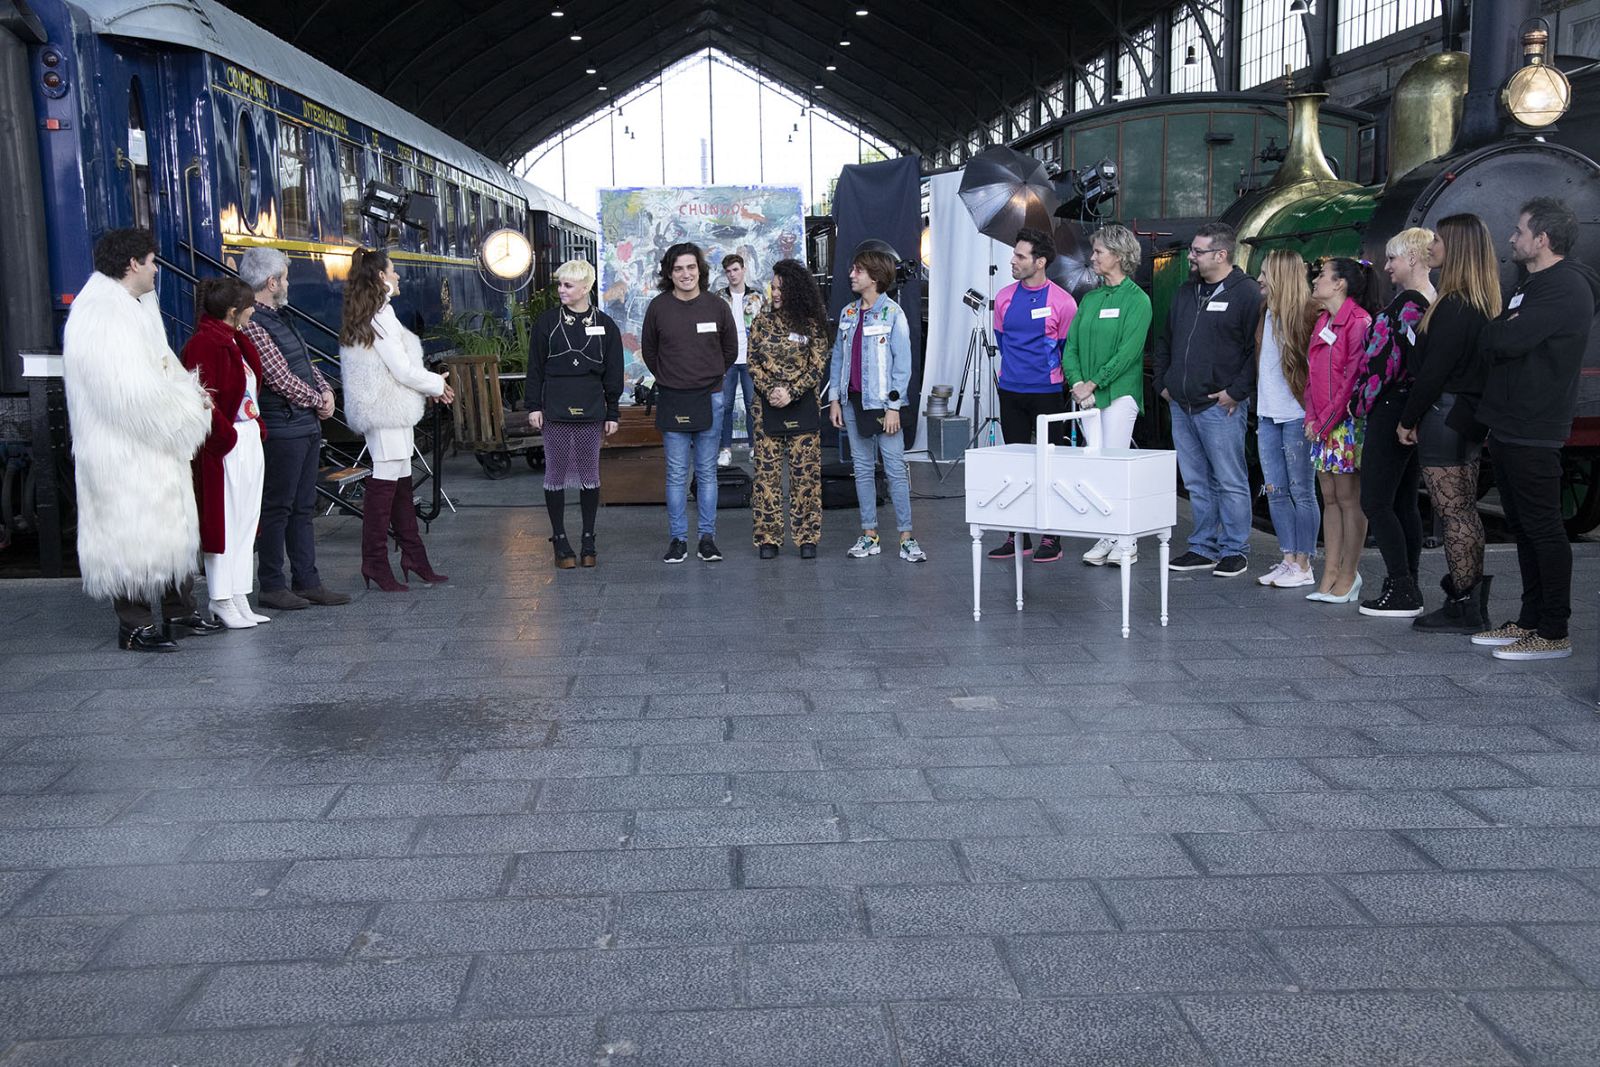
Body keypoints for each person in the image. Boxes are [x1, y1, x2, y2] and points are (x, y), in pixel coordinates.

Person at [61, 228, 217, 652]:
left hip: (149, 445)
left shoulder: (136, 303)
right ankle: (133, 625)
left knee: (169, 527)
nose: (155, 270)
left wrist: (187, 392)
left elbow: (161, 368)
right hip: (121, 450)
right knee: (128, 533)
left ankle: (179, 611)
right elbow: (128, 394)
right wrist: (187, 410)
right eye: (151, 261)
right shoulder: (101, 314)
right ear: (133, 264)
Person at [1470, 198, 1600, 660]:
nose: (1512, 238)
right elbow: (1500, 335)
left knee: (1543, 528)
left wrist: (1500, 330)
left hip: (1534, 424)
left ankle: (1554, 630)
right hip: (1509, 423)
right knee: (1524, 526)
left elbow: (1503, 338)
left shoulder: (1565, 288)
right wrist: (1500, 331)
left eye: (1520, 231)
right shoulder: (1536, 284)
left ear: (1542, 239)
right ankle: (1529, 620)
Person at [1398, 214, 1500, 633]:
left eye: (1438, 240)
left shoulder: (1454, 306)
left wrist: (1407, 420)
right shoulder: (1477, 301)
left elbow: (1433, 372)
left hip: (1445, 414)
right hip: (1464, 415)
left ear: (1455, 247)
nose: (1431, 247)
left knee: (1453, 512)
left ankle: (1464, 603)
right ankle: (1467, 599)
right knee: (1461, 512)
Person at [237, 247, 350, 611]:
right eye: (284, 278)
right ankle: (272, 583)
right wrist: (318, 401)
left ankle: (307, 580)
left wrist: (326, 390)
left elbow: (303, 361)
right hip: (283, 426)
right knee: (278, 508)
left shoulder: (280, 317)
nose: (287, 283)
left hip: (301, 424)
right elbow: (278, 377)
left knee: (302, 508)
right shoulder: (254, 323)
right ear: (271, 282)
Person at [338, 248, 454, 591]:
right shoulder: (380, 317)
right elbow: (401, 369)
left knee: (400, 484)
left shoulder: (374, 313)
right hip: (385, 410)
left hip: (386, 407)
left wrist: (432, 385)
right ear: (380, 278)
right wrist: (436, 383)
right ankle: (375, 561)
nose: (399, 276)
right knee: (385, 487)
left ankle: (413, 557)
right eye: (393, 271)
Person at [1152, 221, 1261, 578]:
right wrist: (1164, 382)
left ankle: (1234, 549)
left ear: (1221, 254)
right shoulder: (1187, 292)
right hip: (1181, 403)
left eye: (1198, 251)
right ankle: (1202, 546)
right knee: (1196, 481)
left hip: (1220, 405)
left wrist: (1236, 392)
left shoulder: (1246, 294)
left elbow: (1254, 350)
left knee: (1229, 479)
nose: (1191, 257)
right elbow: (1165, 338)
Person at [180, 278, 270, 630]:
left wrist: (252, 429)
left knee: (246, 519)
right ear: (234, 311)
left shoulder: (235, 339)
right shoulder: (205, 343)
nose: (253, 309)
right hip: (227, 444)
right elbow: (200, 396)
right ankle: (220, 597)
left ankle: (238, 594)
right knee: (227, 520)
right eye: (249, 305)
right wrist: (226, 436)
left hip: (246, 436)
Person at [1353, 229, 1434, 617]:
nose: (1386, 267)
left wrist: (1360, 402)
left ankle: (1401, 585)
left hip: (1391, 407)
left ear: (1413, 259)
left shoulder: (1410, 307)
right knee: (1403, 503)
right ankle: (1407, 583)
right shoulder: (1427, 303)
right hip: (1407, 408)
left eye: (1392, 259)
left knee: (1376, 500)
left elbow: (1387, 364)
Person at [640, 242, 738, 563]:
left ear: (700, 270)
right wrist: (672, 378)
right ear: (670, 272)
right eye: (679, 268)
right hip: (672, 398)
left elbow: (730, 350)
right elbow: (650, 351)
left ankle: (707, 538)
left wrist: (709, 376)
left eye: (691, 267)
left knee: (707, 472)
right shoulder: (658, 307)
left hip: (710, 397)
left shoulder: (717, 307)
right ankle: (678, 540)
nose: (686, 274)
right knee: (676, 474)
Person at [986, 227, 1077, 563]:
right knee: (1016, 464)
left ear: (1040, 262)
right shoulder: (1005, 298)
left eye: (1020, 256)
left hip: (1048, 393)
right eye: (1014, 254)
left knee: (1049, 463)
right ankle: (1018, 535)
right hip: (1011, 392)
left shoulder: (1063, 302)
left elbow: (1068, 349)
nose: (1013, 260)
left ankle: (1052, 535)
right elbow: (1003, 341)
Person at [1063, 223, 1151, 566]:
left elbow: (1129, 353)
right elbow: (1070, 346)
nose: (1093, 256)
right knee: (1096, 468)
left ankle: (1126, 539)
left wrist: (1094, 382)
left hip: (1119, 395)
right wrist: (1077, 382)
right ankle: (1107, 534)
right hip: (1087, 396)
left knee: (1115, 465)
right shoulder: (1090, 297)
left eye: (1099, 251)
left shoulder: (1137, 300)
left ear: (1118, 255)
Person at [829, 246, 925, 562]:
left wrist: (895, 406)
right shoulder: (847, 313)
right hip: (853, 402)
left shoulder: (893, 314)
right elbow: (838, 359)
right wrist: (834, 400)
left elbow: (903, 365)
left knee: (895, 469)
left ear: (875, 276)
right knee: (862, 468)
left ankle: (907, 536)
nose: (851, 275)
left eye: (858, 270)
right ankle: (870, 534)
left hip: (884, 406)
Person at [526, 258, 624, 569]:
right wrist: (533, 406)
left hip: (592, 407)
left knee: (589, 474)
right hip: (554, 406)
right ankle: (559, 539)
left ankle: (588, 538)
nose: (561, 290)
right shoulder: (547, 322)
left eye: (568, 285)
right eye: (560, 285)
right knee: (554, 474)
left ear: (586, 288)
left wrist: (613, 412)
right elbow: (535, 368)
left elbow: (614, 373)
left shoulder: (606, 325)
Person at [1303, 257, 1377, 604]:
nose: (1315, 281)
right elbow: (1312, 376)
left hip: (1344, 424)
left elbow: (1351, 380)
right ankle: (1329, 571)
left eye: (1322, 276)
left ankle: (1349, 573)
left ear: (1340, 284)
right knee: (1329, 498)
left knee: (1348, 499)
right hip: (1321, 425)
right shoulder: (1323, 320)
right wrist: (1311, 418)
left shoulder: (1359, 321)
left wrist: (1325, 421)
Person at [748, 258, 830, 559]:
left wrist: (791, 392)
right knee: (766, 475)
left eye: (781, 288)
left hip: (803, 405)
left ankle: (807, 537)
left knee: (805, 475)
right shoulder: (760, 322)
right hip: (767, 408)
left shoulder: (812, 325)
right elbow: (752, 363)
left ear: (796, 290)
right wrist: (771, 390)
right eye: (772, 288)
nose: (775, 293)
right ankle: (767, 538)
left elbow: (817, 366)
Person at [1252, 250, 1319, 590]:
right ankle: (1289, 558)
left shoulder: (1309, 314)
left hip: (1296, 415)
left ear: (1280, 276)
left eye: (1265, 273)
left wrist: (1313, 411)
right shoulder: (1267, 312)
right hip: (1267, 415)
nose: (1260, 279)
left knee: (1302, 491)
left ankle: (1304, 564)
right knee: (1276, 491)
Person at [716, 253, 763, 468]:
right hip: (726, 360)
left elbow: (766, 327)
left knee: (752, 404)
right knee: (724, 406)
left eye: (735, 269)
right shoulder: (718, 298)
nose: (732, 274)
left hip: (751, 359)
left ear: (743, 269)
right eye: (728, 271)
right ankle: (725, 449)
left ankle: (755, 447)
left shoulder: (758, 297)